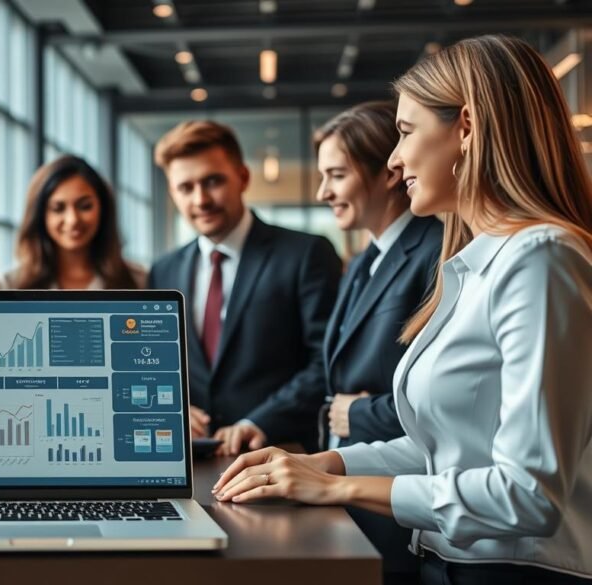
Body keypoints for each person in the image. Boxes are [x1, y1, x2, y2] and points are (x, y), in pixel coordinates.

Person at [213, 35, 592, 584]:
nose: (394, 158)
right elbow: (439, 451)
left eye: (407, 132)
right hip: (452, 564)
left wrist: (336, 487)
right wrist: (325, 463)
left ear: (466, 127)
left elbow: (526, 496)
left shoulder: (541, 258)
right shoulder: (477, 262)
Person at [147, 120, 342, 452]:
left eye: (213, 181)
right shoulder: (163, 271)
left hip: (281, 455)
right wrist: (168, 409)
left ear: (243, 177)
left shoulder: (306, 254)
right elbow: (154, 365)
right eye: (186, 188)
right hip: (188, 457)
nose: (201, 199)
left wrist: (259, 422)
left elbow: (327, 361)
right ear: (172, 193)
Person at [314, 100, 443, 585]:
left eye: (337, 175)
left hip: (400, 501)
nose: (324, 191)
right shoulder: (366, 259)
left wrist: (359, 413)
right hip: (356, 489)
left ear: (388, 173)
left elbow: (444, 400)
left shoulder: (436, 250)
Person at [4, 155, 145, 289]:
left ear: (103, 208)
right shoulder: (10, 285)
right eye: (58, 209)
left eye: (85, 206)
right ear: (40, 215)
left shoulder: (140, 281)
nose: (73, 220)